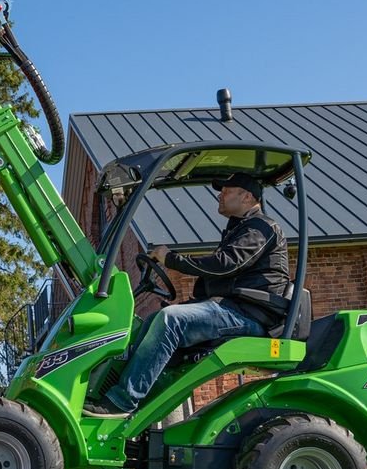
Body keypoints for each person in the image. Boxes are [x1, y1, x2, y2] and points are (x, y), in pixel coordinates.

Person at [86, 172, 290, 416]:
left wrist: (171, 259)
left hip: (250, 315)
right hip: (233, 309)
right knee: (151, 321)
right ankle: (131, 397)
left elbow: (225, 265)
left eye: (226, 191)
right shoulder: (240, 229)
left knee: (171, 319)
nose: (220, 195)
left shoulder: (261, 228)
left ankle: (122, 402)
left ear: (246, 196)